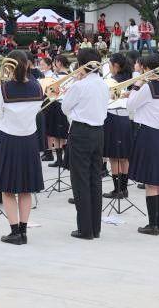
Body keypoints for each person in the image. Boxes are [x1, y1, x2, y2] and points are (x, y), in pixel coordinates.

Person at [0, 51, 44, 245]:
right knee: (25, 189)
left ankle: (14, 231)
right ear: (27, 65)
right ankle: (24, 232)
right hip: (29, 141)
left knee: (7, 189)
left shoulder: (4, 88)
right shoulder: (37, 87)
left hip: (9, 139)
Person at [60, 47, 108, 240]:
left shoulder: (79, 86)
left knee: (80, 181)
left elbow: (64, 107)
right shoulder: (103, 84)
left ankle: (85, 229)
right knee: (95, 180)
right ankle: (95, 228)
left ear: (81, 65)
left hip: (81, 132)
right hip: (98, 133)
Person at [127, 52, 159, 235]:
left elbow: (130, 105)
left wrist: (137, 85)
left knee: (150, 183)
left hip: (148, 134)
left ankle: (152, 224)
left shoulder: (148, 87)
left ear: (147, 69)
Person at [102, 52, 134, 199]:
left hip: (113, 117)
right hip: (126, 119)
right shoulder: (133, 79)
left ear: (115, 66)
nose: (108, 66)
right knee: (124, 156)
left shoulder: (111, 81)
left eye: (110, 64)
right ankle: (124, 188)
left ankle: (117, 189)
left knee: (114, 157)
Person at [43, 54, 71, 168]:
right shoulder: (70, 76)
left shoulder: (58, 77)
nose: (54, 65)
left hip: (58, 104)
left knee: (58, 134)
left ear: (59, 63)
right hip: (63, 105)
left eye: (55, 62)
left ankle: (61, 160)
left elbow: (50, 91)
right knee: (61, 135)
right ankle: (61, 160)